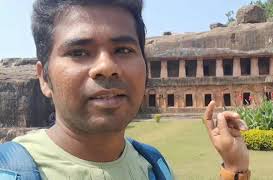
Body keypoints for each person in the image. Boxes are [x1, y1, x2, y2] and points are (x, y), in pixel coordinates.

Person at [0, 0, 250, 179]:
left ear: (145, 67)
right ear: (44, 78)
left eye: (123, 50)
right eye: (79, 52)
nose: (107, 67)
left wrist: (234, 165)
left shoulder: (155, 166)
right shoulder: (10, 170)